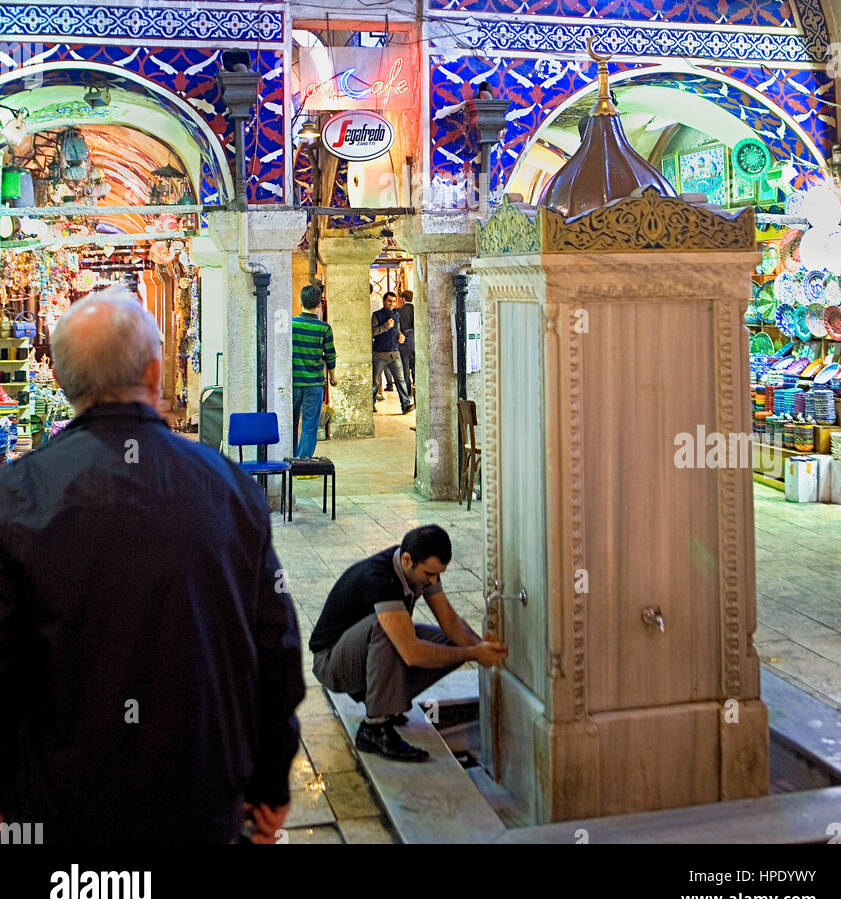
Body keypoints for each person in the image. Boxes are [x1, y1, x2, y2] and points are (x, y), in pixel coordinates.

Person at [0, 287, 305, 844]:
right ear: (157, 372)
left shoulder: (18, 498)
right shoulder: (230, 489)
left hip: (63, 815)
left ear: (64, 382)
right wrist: (269, 780)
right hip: (200, 801)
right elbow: (276, 649)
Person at [310, 525, 507, 762]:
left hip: (362, 656)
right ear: (406, 560)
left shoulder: (419, 567)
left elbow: (451, 623)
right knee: (385, 629)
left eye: (438, 574)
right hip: (332, 662)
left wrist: (482, 648)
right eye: (429, 574)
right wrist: (474, 652)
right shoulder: (381, 579)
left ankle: (385, 704)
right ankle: (374, 727)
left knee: (453, 645)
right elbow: (412, 653)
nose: (433, 581)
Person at [292, 283, 337, 457]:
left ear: (300, 301)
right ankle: (304, 464)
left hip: (293, 382)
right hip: (314, 383)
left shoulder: (291, 325)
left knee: (292, 423)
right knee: (310, 424)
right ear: (319, 304)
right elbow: (330, 355)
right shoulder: (324, 328)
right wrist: (333, 377)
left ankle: (291, 460)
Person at [372, 292, 413, 414]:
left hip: (395, 353)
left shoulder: (397, 315)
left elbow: (398, 330)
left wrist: (401, 336)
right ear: (384, 301)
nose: (392, 304)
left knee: (400, 381)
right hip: (380, 355)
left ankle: (405, 405)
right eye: (389, 301)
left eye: (394, 301)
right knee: (375, 382)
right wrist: (386, 326)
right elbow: (372, 332)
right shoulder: (376, 315)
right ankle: (371, 405)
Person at [397, 288, 415, 396]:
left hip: (404, 344)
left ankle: (408, 393)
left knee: (405, 370)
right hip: (416, 343)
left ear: (403, 298)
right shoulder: (417, 310)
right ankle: (417, 392)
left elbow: (397, 329)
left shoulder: (398, 311)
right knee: (416, 368)